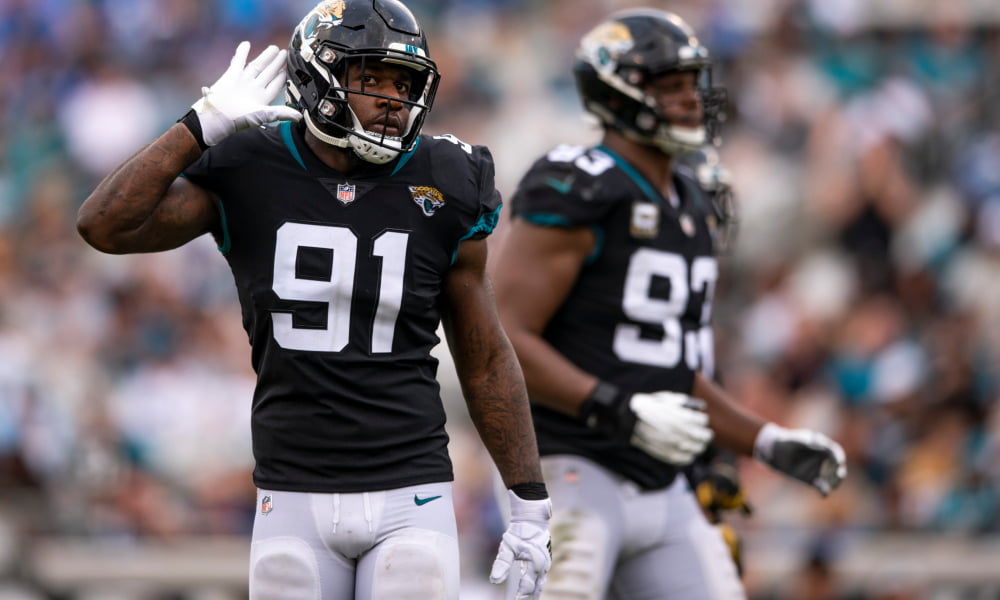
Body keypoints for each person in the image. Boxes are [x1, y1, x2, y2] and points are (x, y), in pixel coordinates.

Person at [76, 1, 551, 598]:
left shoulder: (448, 177)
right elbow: (103, 225)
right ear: (318, 77)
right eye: (372, 79)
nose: (392, 99)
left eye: (404, 84)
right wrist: (199, 126)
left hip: (411, 487)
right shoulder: (250, 163)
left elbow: (484, 356)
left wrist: (528, 499)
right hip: (291, 489)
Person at [492, 9, 847, 599]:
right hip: (572, 469)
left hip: (664, 478)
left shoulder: (692, 196)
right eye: (670, 85)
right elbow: (501, 340)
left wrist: (763, 441)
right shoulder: (581, 184)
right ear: (616, 93)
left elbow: (674, 370)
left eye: (692, 83)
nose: (690, 99)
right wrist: (616, 407)